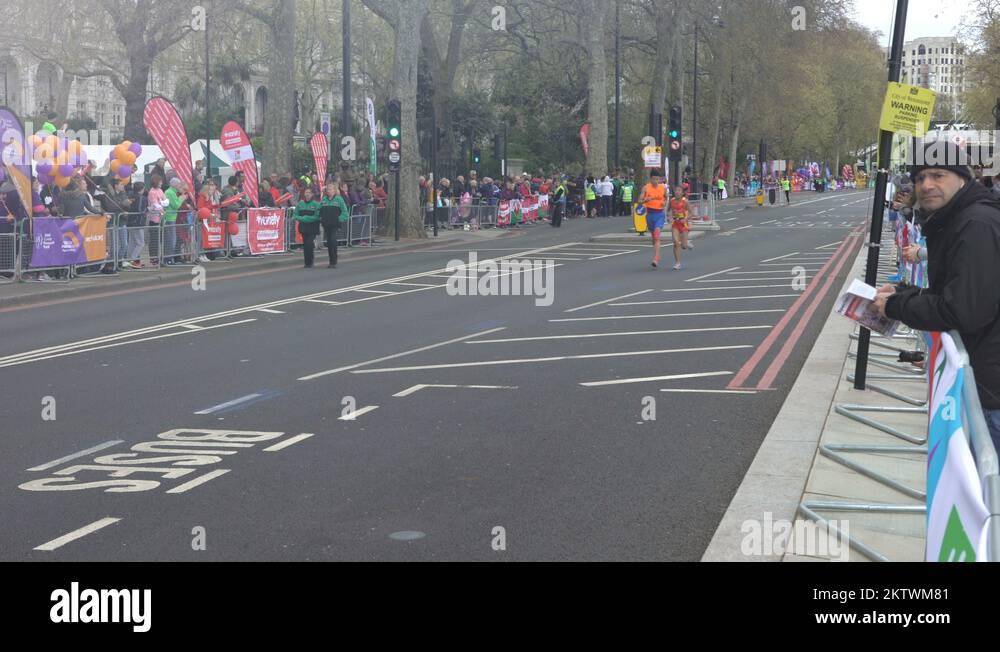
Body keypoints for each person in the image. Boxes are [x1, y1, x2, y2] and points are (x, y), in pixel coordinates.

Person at [874, 142, 1000, 452]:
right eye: (920, 178)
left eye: (938, 175)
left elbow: (963, 310)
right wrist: (905, 292)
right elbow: (958, 292)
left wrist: (895, 306)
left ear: (962, 178)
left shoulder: (975, 224)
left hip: (991, 393)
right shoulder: (956, 219)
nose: (927, 185)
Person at [637, 171, 668, 268]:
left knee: (657, 235)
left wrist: (664, 203)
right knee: (654, 238)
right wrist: (645, 200)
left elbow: (666, 198)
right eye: (654, 179)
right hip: (650, 214)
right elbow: (639, 201)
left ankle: (656, 258)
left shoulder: (663, 187)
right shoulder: (646, 188)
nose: (656, 181)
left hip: (659, 214)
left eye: (657, 179)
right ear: (650, 179)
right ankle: (656, 253)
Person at [319, 183, 350, 268]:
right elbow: (319, 210)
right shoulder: (324, 199)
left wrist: (338, 219)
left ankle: (334, 260)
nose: (330, 191)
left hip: (335, 224)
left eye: (331, 189)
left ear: (334, 190)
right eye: (328, 189)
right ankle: (331, 260)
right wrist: (320, 218)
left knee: (333, 240)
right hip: (326, 224)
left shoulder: (339, 199)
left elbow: (345, 212)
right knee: (329, 242)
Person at [293, 188, 321, 268]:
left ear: (312, 194)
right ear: (304, 194)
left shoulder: (316, 204)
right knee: (305, 244)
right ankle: (307, 262)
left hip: (312, 227)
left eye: (309, 192)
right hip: (303, 227)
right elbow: (295, 214)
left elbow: (317, 216)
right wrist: (300, 218)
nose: (307, 194)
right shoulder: (300, 204)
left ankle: (310, 261)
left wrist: (304, 218)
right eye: (306, 192)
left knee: (309, 243)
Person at [669, 185, 692, 270]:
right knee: (675, 243)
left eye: (679, 191)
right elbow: (669, 211)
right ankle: (677, 263)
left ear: (682, 193)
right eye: (676, 190)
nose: (677, 192)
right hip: (676, 223)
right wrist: (669, 217)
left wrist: (685, 219)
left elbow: (691, 212)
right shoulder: (671, 201)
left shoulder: (685, 201)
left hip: (684, 224)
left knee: (684, 246)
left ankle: (686, 243)